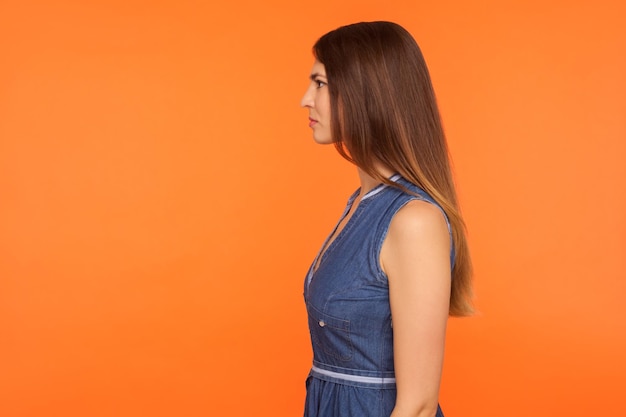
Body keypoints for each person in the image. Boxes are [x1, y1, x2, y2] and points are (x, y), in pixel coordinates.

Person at [299, 21, 473, 417]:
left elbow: (418, 405)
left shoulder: (413, 221)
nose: (305, 99)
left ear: (365, 94)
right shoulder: (361, 203)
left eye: (320, 83)